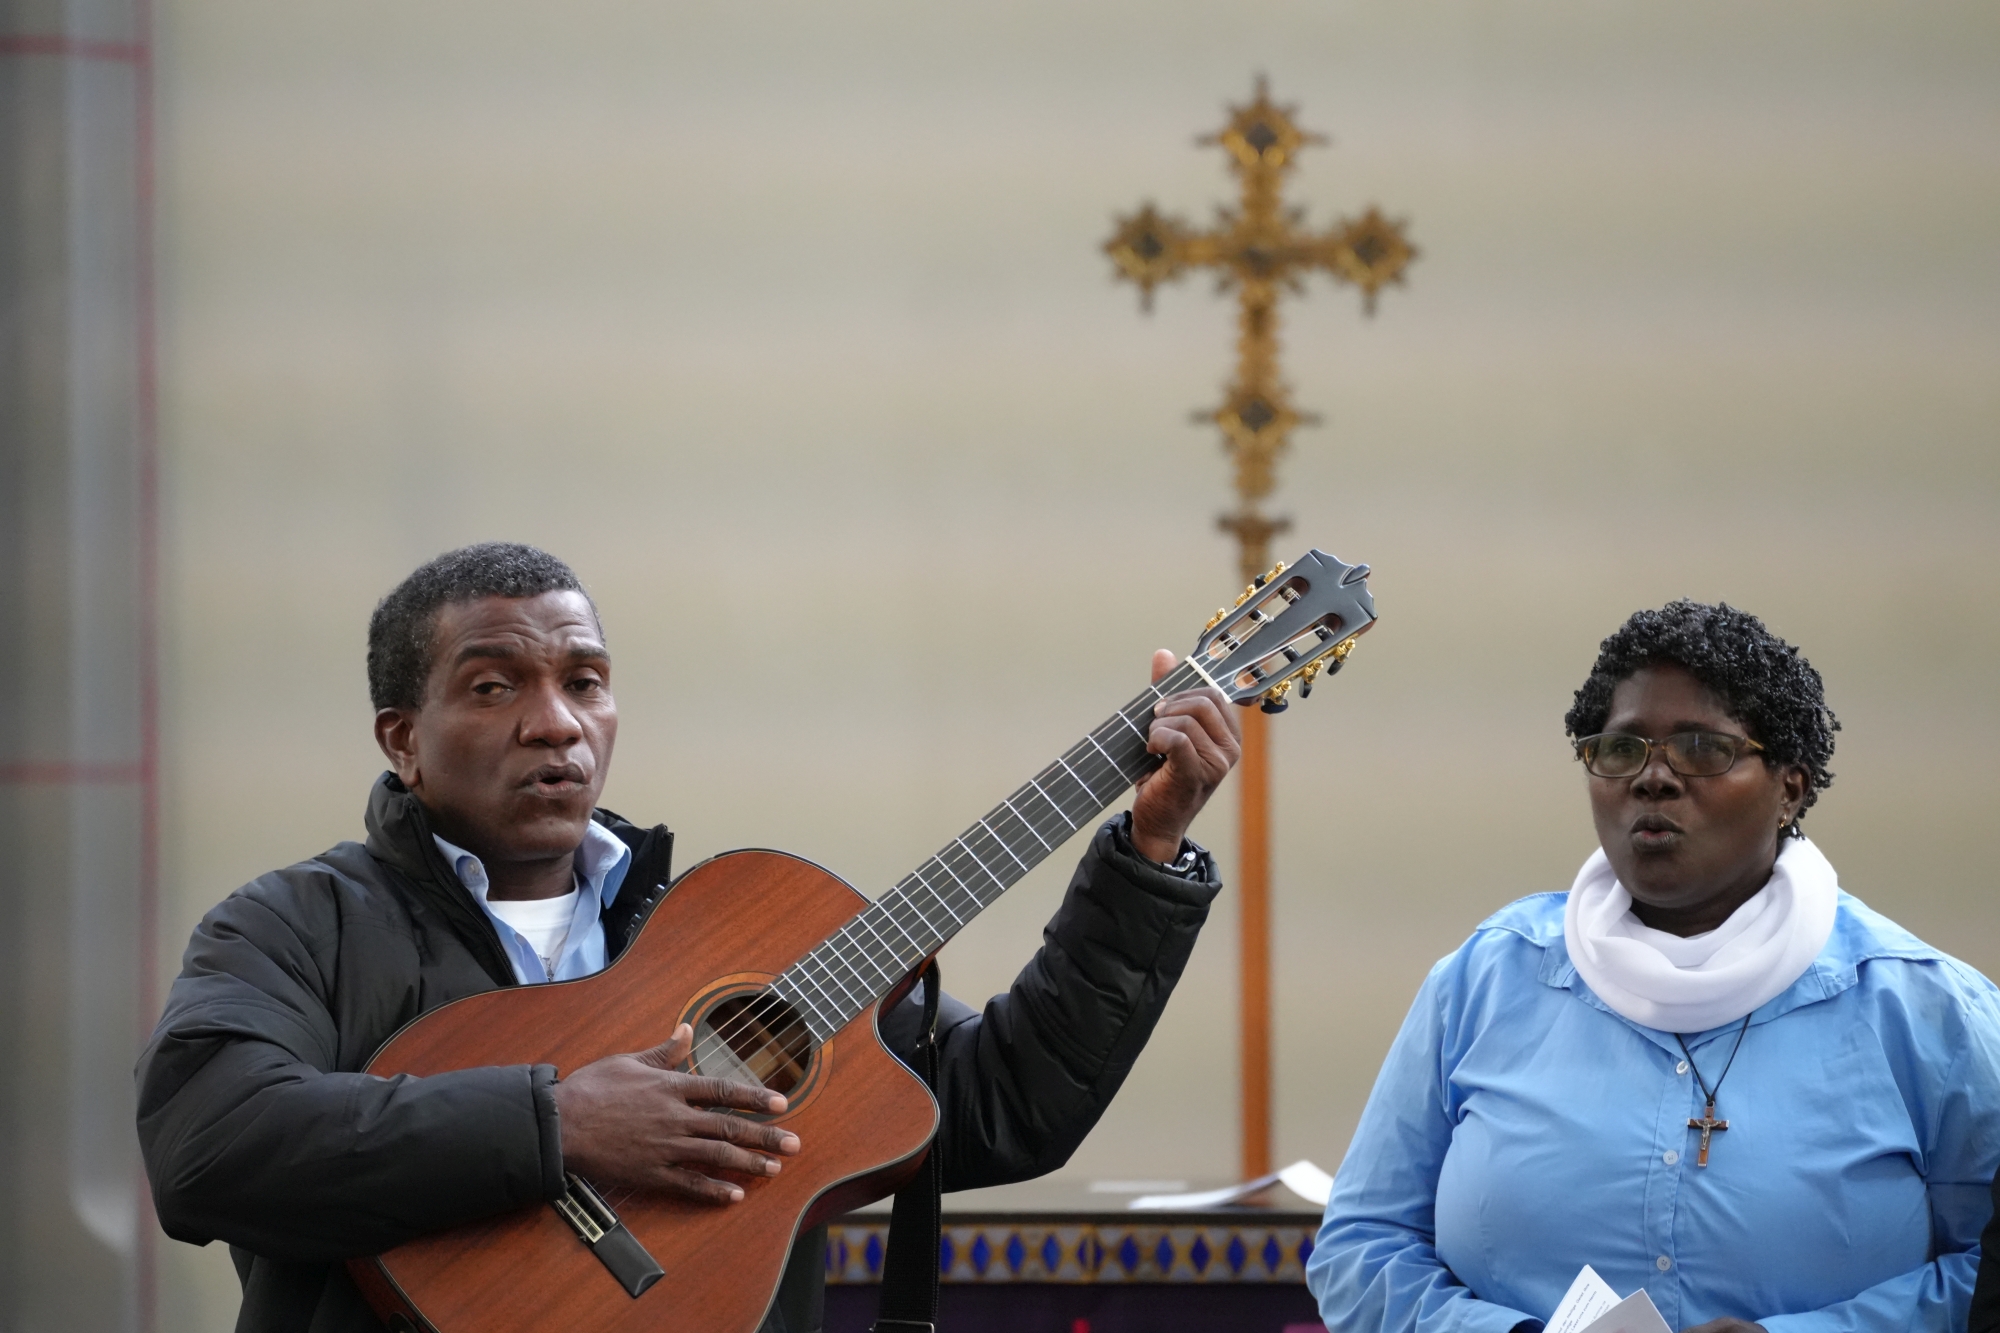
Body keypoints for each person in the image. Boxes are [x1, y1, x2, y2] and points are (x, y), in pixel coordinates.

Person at [136, 542, 1242, 1333]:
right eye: (494, 685)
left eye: (584, 682)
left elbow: (1004, 1107)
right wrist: (562, 1122)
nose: (555, 721)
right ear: (403, 740)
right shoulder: (298, 925)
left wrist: (1145, 857)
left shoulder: (732, 931)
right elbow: (208, 1145)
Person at [1307, 600, 2000, 1333]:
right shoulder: (1484, 981)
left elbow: (1986, 1271)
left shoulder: (1927, 1010)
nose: (1653, 778)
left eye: (1701, 748)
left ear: (1790, 788)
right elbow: (1361, 1248)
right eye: (1620, 748)